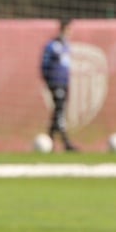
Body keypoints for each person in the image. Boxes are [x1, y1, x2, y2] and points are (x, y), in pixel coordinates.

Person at [40, 18, 79, 152]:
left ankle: (50, 141)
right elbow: (44, 64)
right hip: (55, 83)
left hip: (64, 83)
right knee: (59, 111)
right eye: (69, 29)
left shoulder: (66, 45)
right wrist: (48, 80)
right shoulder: (53, 45)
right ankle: (66, 142)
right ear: (63, 29)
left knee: (58, 111)